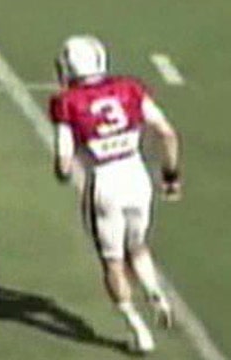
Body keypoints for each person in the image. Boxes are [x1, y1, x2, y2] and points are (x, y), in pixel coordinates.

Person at [49, 35, 182, 353]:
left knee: (112, 261)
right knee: (137, 246)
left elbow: (64, 161)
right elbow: (167, 132)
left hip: (104, 182)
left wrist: (63, 172)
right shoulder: (129, 88)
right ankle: (155, 294)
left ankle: (138, 330)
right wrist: (171, 176)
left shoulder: (67, 102)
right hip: (136, 176)